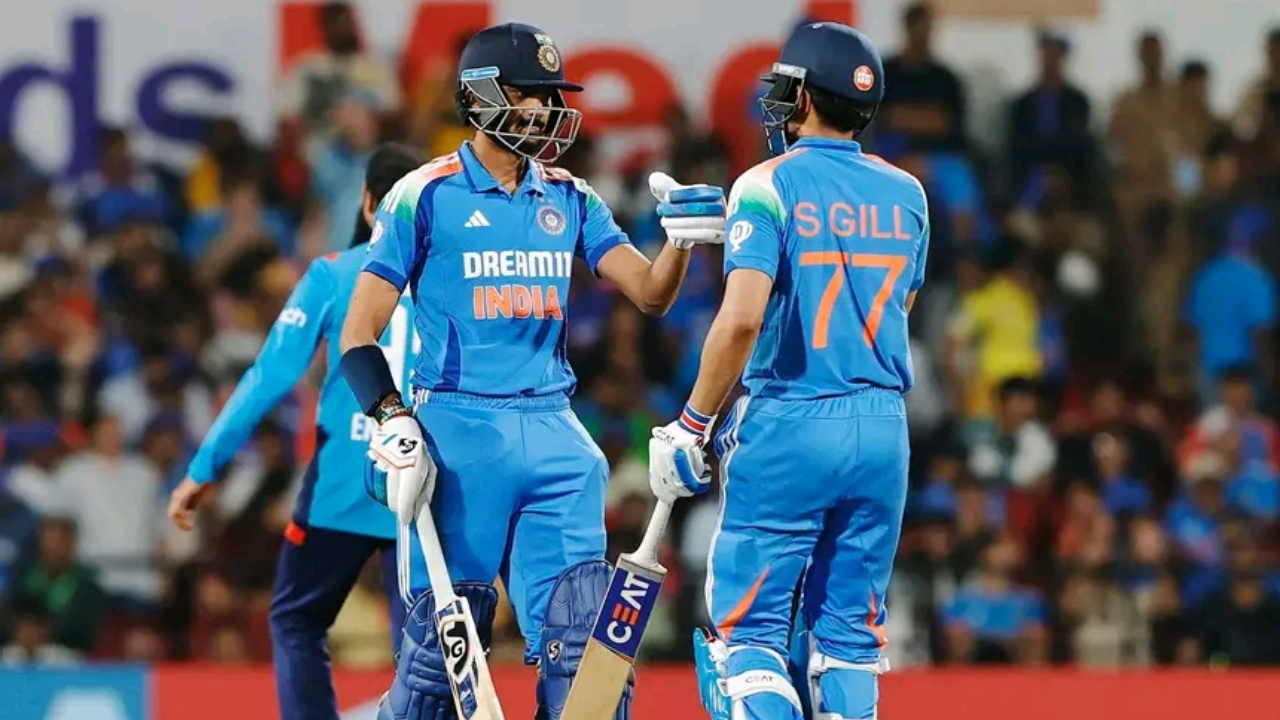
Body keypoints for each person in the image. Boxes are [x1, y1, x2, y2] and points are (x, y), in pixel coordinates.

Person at [335, 23, 726, 720]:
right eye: (527, 95)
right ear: (479, 95)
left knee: (587, 666)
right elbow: (357, 333)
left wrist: (680, 241)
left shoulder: (570, 196)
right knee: (437, 668)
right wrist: (392, 418)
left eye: (549, 98)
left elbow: (650, 294)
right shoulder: (423, 195)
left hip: (555, 434)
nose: (543, 112)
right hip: (457, 433)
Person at [647, 22, 928, 720]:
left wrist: (691, 424)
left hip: (793, 418)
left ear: (805, 95)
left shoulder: (765, 184)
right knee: (849, 641)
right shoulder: (909, 194)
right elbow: (899, 306)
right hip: (884, 426)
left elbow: (742, 319)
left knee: (749, 636)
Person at [165, 143, 428, 720]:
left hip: (346, 480)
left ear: (366, 203)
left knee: (296, 619)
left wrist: (202, 468)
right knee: (423, 644)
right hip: (427, 485)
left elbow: (269, 377)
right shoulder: (449, 283)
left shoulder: (334, 275)